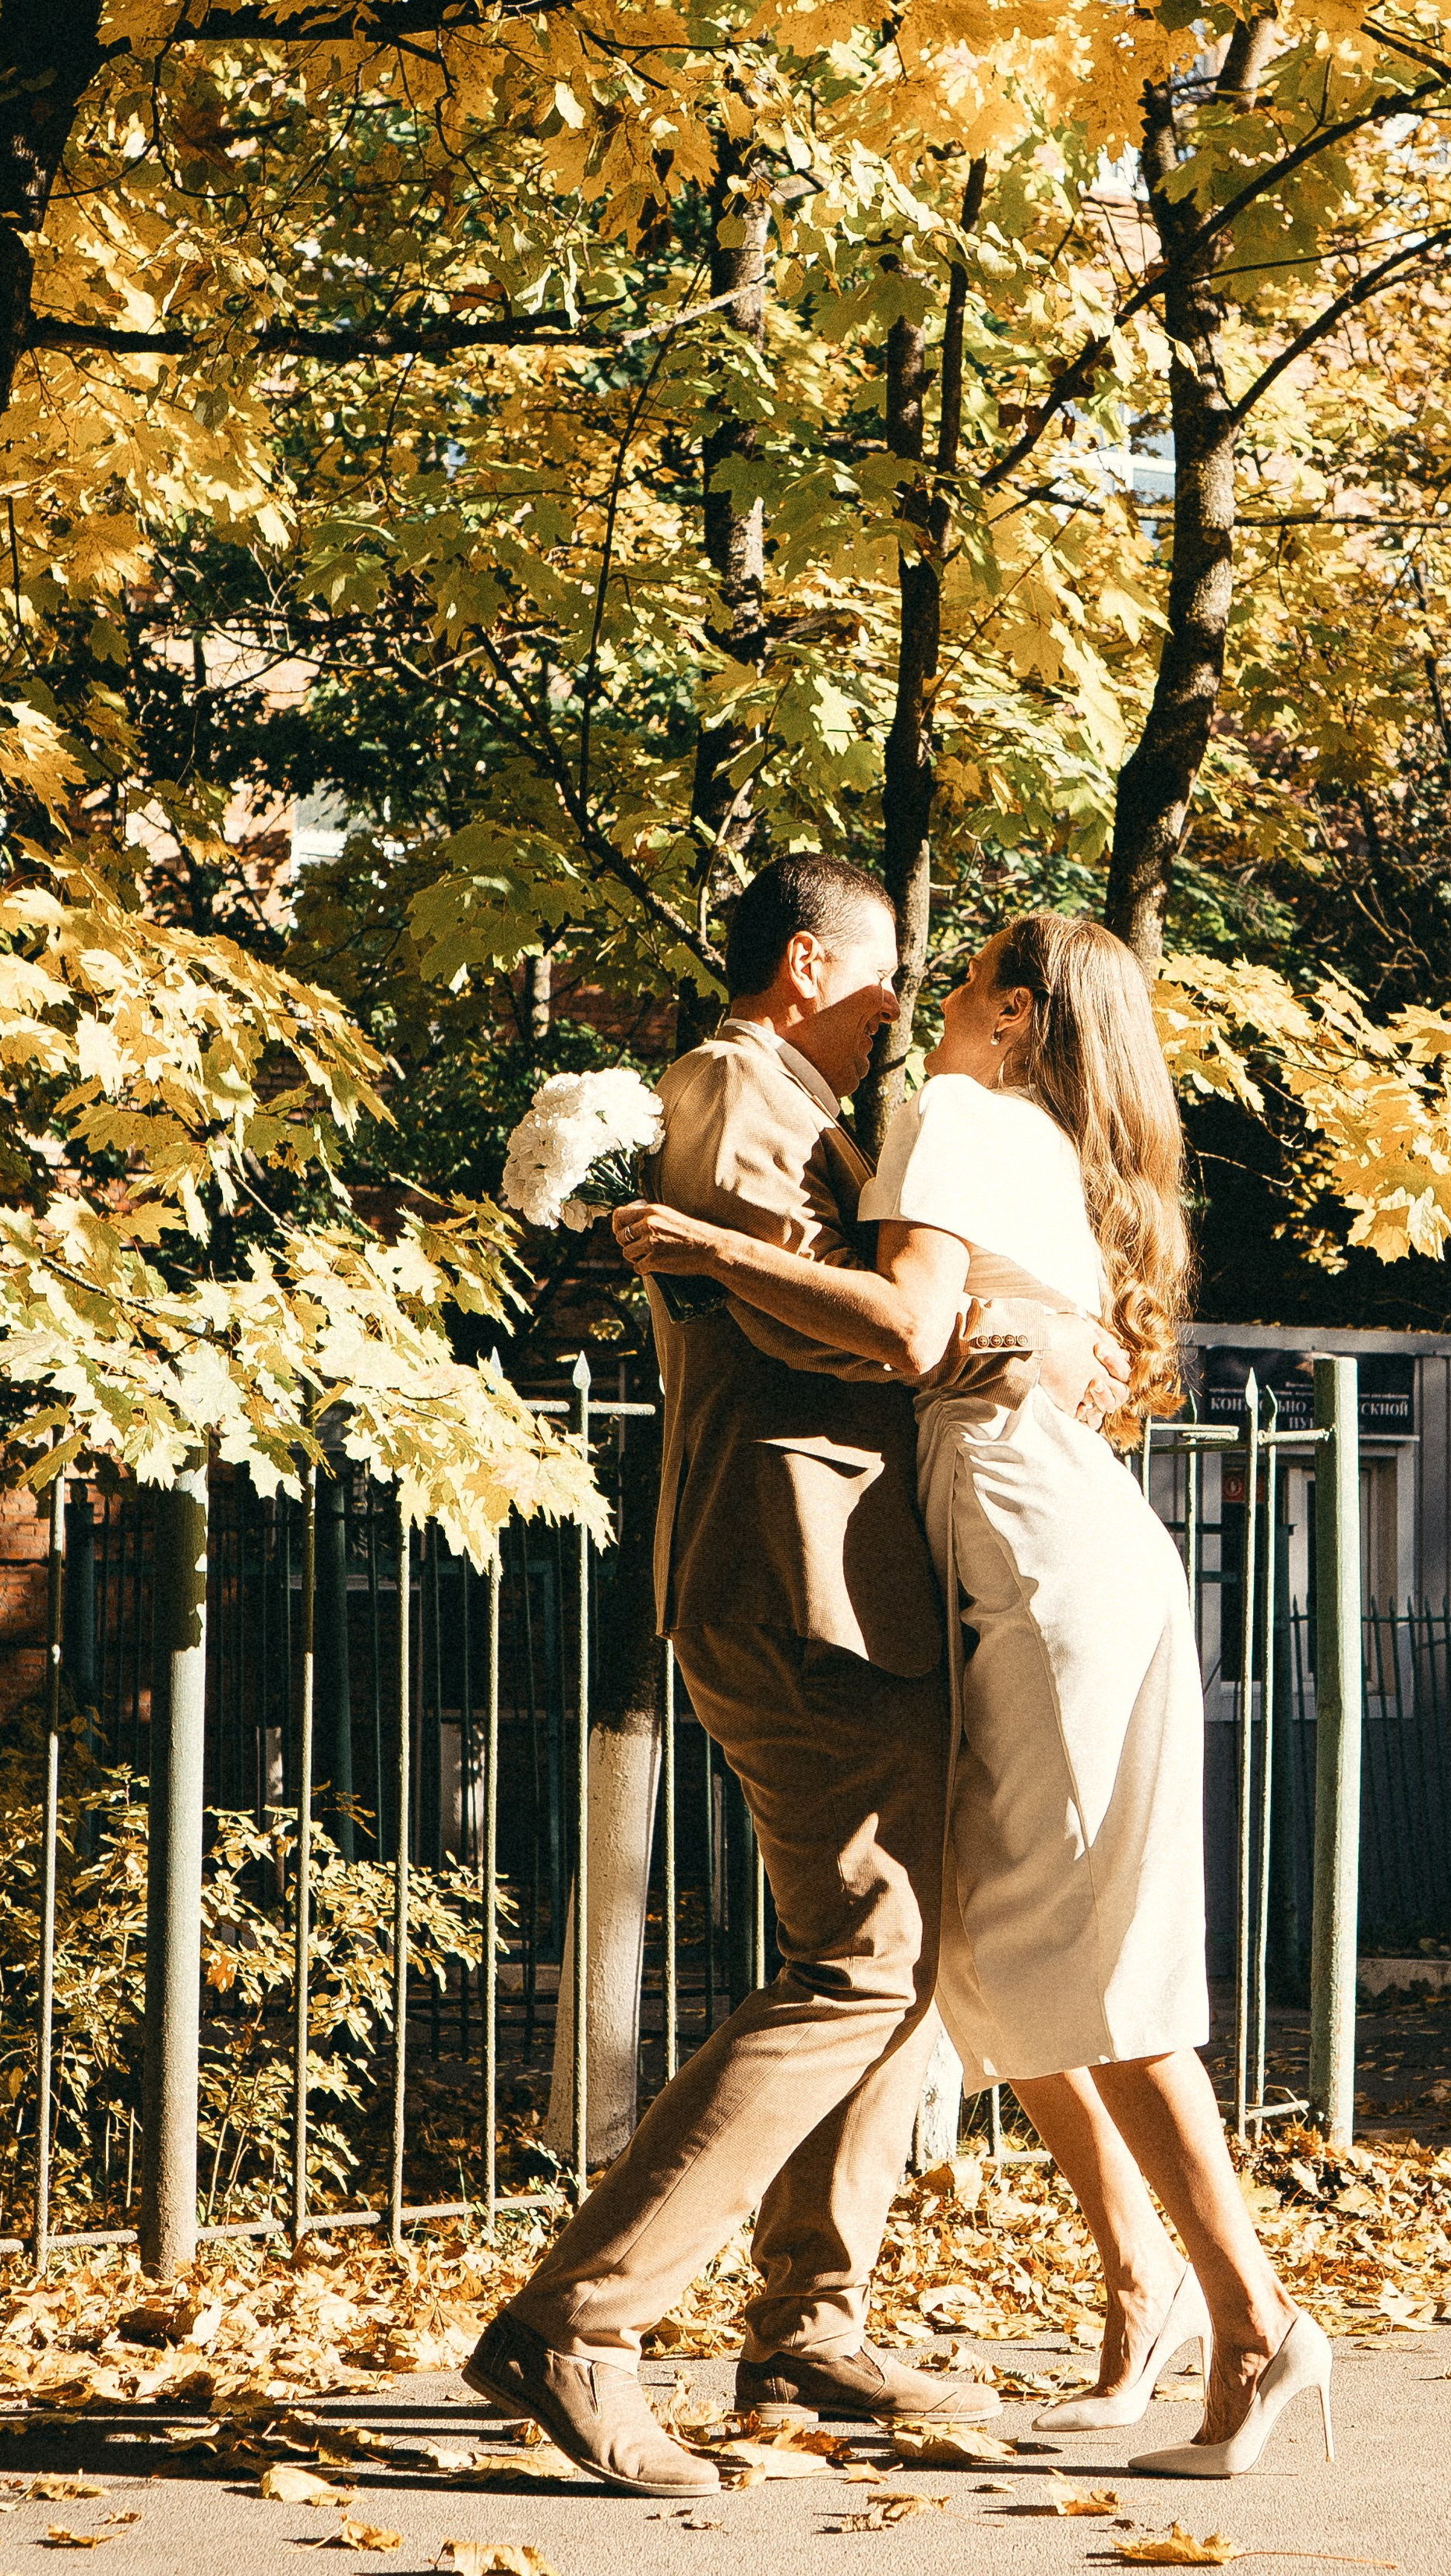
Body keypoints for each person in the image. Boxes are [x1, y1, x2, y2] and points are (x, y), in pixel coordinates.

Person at [610, 911, 1333, 2479]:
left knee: (1089, 1961)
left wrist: (706, 1247)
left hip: (1041, 1572)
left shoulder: (955, 1113)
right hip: (1042, 1559)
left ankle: (1250, 2324)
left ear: (1009, 1017)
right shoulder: (1036, 1143)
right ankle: (1153, 2303)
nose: (915, 1008)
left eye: (950, 987)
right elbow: (980, 1338)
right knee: (1005, 1960)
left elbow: (911, 1327)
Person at [464, 858, 1127, 2495]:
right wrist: (993, 1341)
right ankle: (581, 2320)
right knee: (866, 1953)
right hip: (793, 1578)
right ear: (807, 960)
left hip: (854, 1586)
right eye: (888, 971)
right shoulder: (733, 1080)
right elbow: (812, 1325)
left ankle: (805, 2327)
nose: (901, 1005)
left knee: (900, 1958)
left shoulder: (816, 1117)